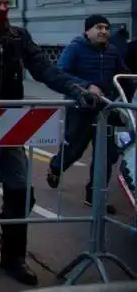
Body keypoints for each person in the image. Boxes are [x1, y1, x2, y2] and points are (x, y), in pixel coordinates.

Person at [0, 0, 101, 285]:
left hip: (10, 127)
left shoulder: (18, 36)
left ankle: (13, 257)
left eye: (7, 3)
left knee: (20, 190)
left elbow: (45, 69)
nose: (4, 9)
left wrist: (76, 88)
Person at [47, 15, 128, 214]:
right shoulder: (75, 48)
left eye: (106, 28)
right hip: (80, 108)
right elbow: (61, 73)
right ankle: (56, 167)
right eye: (98, 27)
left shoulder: (112, 51)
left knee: (106, 154)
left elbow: (123, 75)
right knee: (74, 149)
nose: (103, 31)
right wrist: (86, 87)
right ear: (87, 31)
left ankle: (95, 197)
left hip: (105, 110)